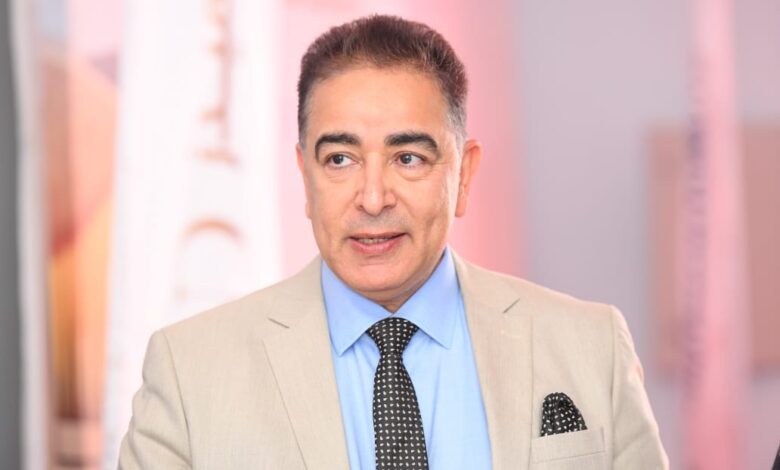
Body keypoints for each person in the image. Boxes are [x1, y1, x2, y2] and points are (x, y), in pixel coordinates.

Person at [119, 15, 668, 470]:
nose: (373, 197)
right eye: (340, 159)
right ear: (305, 177)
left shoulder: (590, 347)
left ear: (464, 175)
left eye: (408, 158)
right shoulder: (190, 373)